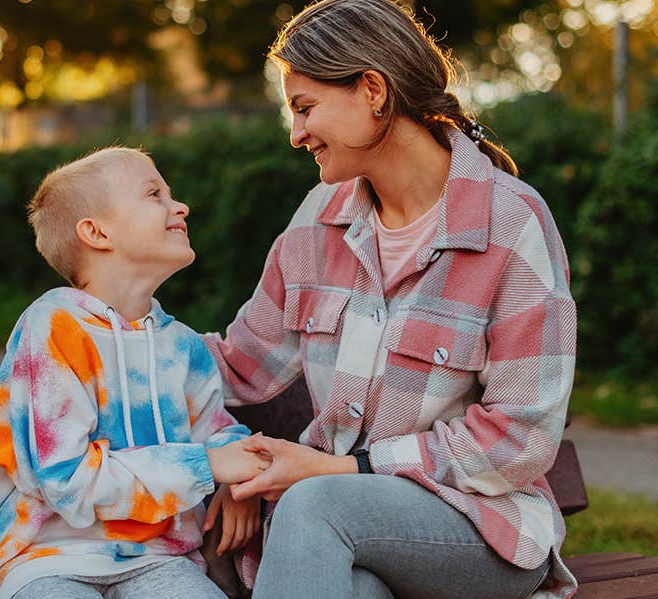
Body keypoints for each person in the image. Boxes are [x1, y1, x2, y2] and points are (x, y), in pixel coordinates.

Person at [203, 1, 580, 597]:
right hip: (341, 531)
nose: (296, 134)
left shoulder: (510, 225)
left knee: (315, 503)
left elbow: (519, 438)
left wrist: (345, 470)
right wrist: (100, 332)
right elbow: (239, 368)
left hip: (478, 528)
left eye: (304, 108)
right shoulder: (316, 224)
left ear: (373, 90)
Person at [0, 147, 268, 599]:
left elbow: (216, 431)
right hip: (46, 557)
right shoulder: (54, 327)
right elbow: (67, 480)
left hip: (158, 556)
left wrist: (243, 478)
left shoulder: (182, 347)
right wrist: (208, 466)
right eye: (153, 193)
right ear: (97, 232)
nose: (180, 206)